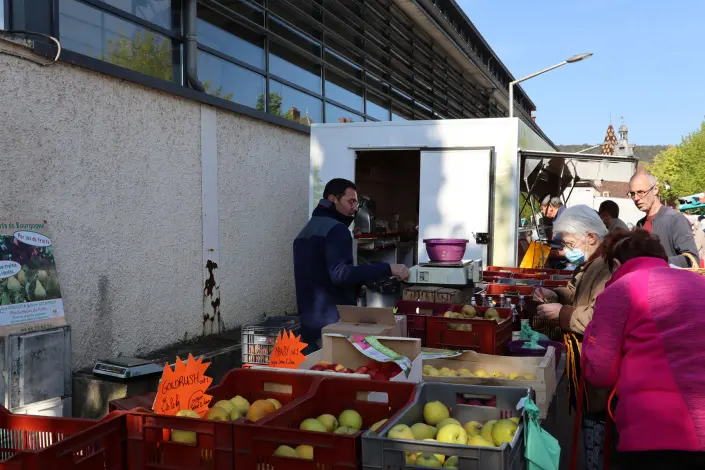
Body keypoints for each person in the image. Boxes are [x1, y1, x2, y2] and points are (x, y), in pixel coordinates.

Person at [582, 229, 705, 470]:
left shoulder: (620, 290)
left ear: (616, 265)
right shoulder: (699, 284)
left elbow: (600, 373)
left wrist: (589, 337)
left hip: (652, 432)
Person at [532, 204, 612, 470]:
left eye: (568, 243)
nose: (565, 251)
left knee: (596, 437)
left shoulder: (606, 267)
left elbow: (599, 317)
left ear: (590, 237)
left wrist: (563, 313)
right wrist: (556, 294)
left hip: (599, 373)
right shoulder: (590, 263)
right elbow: (577, 293)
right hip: (588, 368)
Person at [293, 178, 410, 353]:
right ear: (333, 199)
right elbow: (340, 274)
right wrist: (388, 268)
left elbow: (319, 273)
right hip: (333, 322)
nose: (355, 208)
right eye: (351, 201)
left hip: (309, 322)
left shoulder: (306, 230)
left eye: (356, 203)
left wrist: (358, 284)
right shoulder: (336, 229)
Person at [629, 172, 699, 267]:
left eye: (641, 192)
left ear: (655, 189)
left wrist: (656, 262)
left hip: (670, 276)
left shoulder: (675, 219)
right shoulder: (640, 224)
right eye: (632, 194)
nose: (636, 198)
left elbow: (692, 259)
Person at [541, 196, 567, 268]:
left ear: (550, 206)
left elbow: (571, 251)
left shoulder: (564, 218)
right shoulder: (558, 217)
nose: (541, 211)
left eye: (542, 208)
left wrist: (547, 253)